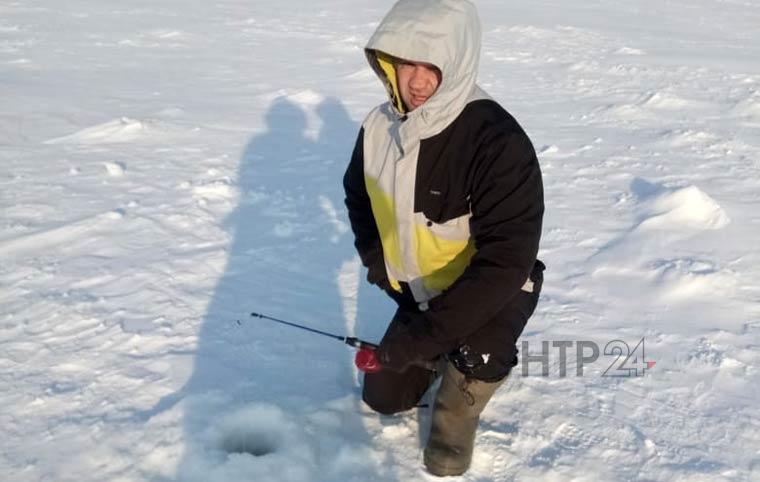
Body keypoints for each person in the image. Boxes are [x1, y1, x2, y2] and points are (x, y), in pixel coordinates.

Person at [343, 0, 545, 476]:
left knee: (445, 461)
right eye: (406, 63)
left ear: (457, 64)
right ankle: (438, 355)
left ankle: (467, 381)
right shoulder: (377, 128)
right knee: (383, 400)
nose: (417, 81)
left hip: (493, 294)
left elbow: (506, 261)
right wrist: (377, 261)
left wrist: (422, 337)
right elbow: (358, 196)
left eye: (432, 66)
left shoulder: (497, 140)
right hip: (422, 293)